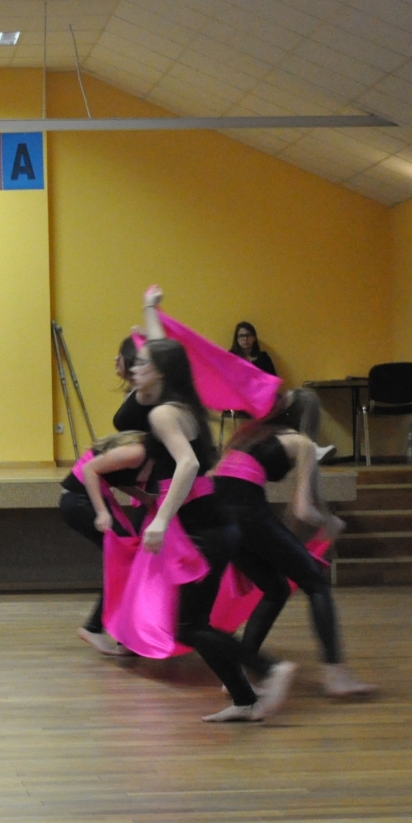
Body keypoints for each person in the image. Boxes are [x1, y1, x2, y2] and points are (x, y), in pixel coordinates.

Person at [137, 289, 298, 722]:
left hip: (206, 529)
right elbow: (164, 352)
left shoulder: (162, 414)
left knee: (190, 627)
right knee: (196, 623)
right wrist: (151, 310)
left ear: (159, 373)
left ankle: (270, 669)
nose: (134, 369)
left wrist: (161, 520)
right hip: (214, 524)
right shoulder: (181, 402)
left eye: (141, 365)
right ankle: (246, 700)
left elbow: (187, 464)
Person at [218, 392, 375, 698]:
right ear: (309, 418)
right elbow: (304, 510)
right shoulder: (301, 443)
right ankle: (336, 676)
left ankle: (239, 674)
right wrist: (329, 523)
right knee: (316, 584)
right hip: (246, 514)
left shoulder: (249, 437)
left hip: (220, 519)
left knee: (275, 588)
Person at [59, 431, 149, 655]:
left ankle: (122, 636)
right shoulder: (138, 451)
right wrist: (101, 512)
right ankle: (95, 628)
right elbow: (90, 470)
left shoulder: (139, 453)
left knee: (128, 562)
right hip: (81, 502)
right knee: (126, 563)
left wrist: (146, 498)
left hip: (82, 500)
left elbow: (116, 478)